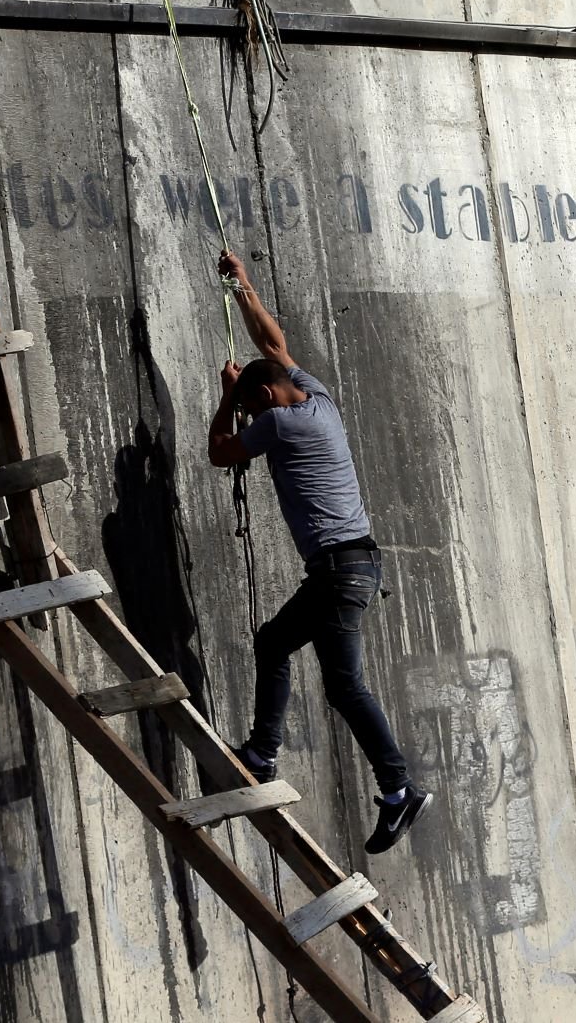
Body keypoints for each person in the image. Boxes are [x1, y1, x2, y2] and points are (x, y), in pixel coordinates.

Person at [204, 250, 429, 855]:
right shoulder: (318, 400)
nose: (254, 415)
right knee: (296, 656)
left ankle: (392, 784)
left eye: (256, 406)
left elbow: (220, 452)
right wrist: (244, 284)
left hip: (336, 571)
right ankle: (273, 753)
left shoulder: (279, 424)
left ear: (267, 400)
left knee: (332, 678)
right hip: (355, 565)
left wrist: (228, 400)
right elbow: (274, 345)